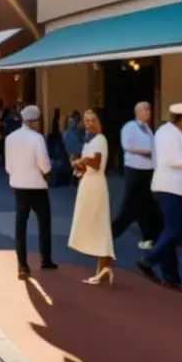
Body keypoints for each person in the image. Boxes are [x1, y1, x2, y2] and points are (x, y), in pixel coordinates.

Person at [138, 103, 182, 293]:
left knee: (170, 231)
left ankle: (170, 276)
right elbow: (171, 159)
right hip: (172, 187)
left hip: (162, 185)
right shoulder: (174, 134)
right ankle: (149, 259)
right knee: (176, 230)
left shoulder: (163, 131)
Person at [5, 105, 56, 279]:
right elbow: (44, 163)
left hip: (19, 185)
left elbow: (8, 166)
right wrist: (47, 172)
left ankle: (22, 265)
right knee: (44, 222)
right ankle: (46, 259)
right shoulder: (37, 138)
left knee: (20, 225)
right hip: (37, 185)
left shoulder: (10, 138)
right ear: (33, 121)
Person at [69, 109, 116, 286]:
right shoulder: (90, 140)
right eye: (86, 120)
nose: (89, 124)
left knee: (98, 224)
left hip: (95, 185)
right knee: (95, 223)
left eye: (93, 120)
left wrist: (82, 161)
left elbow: (96, 163)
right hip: (88, 183)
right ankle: (102, 267)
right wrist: (79, 166)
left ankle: (104, 266)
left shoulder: (100, 140)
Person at [112, 101, 160, 250]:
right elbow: (128, 147)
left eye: (149, 109)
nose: (148, 112)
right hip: (135, 170)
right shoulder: (130, 127)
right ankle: (109, 235)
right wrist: (148, 152)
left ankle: (149, 237)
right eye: (145, 110)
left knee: (148, 205)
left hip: (148, 171)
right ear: (137, 112)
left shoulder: (148, 129)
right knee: (129, 206)